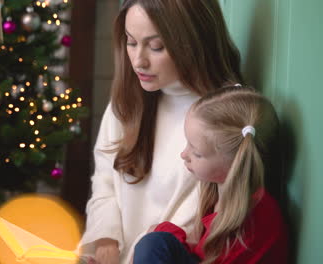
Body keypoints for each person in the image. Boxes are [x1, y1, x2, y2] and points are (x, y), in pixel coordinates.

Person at [79, 0, 243, 263]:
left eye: (156, 47)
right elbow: (104, 180)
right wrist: (106, 239)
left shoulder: (221, 119)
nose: (139, 61)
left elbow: (193, 222)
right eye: (131, 42)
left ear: (192, 42)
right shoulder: (126, 102)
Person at [133, 87, 288, 264]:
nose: (184, 154)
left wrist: (163, 235)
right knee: (157, 239)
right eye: (187, 144)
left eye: (197, 153)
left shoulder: (253, 219)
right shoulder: (223, 197)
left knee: (155, 243)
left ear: (235, 163)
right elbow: (203, 253)